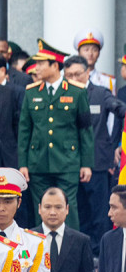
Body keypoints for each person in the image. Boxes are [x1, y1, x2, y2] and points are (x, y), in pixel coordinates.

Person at [18, 39, 93, 230]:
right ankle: (41, 250)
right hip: (38, 161)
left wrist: (86, 163)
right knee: (40, 208)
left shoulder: (77, 92)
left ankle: (71, 249)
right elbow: (25, 130)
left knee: (68, 207)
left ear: (55, 65)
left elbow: (85, 129)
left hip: (67, 160)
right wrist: (23, 164)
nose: (37, 68)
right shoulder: (31, 92)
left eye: (42, 64)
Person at [63, 56, 126, 253]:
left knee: (99, 210)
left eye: (77, 74)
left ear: (87, 73)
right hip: (70, 164)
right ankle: (82, 251)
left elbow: (117, 107)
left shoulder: (99, 93)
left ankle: (100, 251)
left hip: (98, 162)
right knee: (77, 210)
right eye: (69, 75)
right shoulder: (63, 96)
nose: (74, 78)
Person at [73, 29, 116, 94]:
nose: (90, 54)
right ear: (79, 53)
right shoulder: (71, 79)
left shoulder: (108, 81)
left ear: (99, 53)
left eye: (94, 50)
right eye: (86, 50)